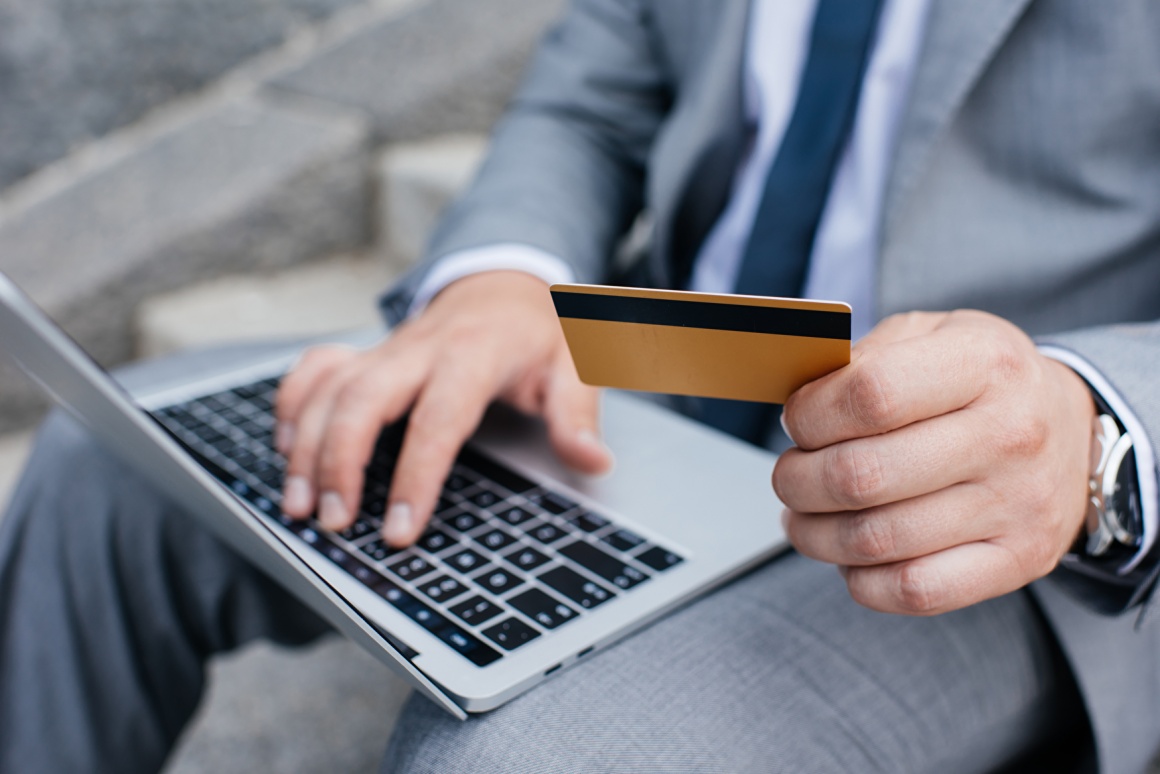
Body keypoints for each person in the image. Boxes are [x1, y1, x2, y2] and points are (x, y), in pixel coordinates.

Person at [3, 0, 1160, 771]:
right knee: (106, 464)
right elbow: (591, 92)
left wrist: (1091, 430)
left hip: (982, 518)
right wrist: (503, 277)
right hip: (637, 371)